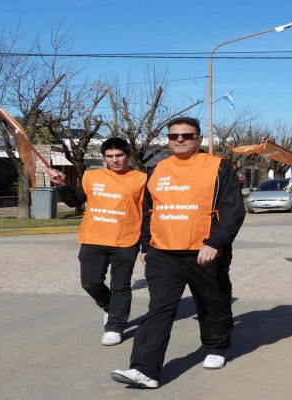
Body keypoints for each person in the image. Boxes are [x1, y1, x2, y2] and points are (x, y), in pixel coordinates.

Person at [111, 117, 245, 389]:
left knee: (213, 302)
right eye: (174, 136)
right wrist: (146, 245)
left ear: (199, 138)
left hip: (205, 251)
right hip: (164, 253)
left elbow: (233, 209)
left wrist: (216, 242)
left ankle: (217, 347)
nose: (180, 140)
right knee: (158, 308)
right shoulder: (158, 169)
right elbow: (149, 210)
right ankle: (144, 370)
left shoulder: (218, 166)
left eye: (186, 135)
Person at [47, 138, 146, 346]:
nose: (114, 160)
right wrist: (62, 184)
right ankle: (111, 307)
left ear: (128, 155)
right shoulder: (91, 176)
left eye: (119, 155)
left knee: (121, 286)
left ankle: (115, 326)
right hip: (93, 239)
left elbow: (147, 215)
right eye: (109, 156)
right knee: (90, 282)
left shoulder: (141, 179)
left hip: (125, 241)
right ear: (104, 157)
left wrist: (146, 246)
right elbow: (75, 201)